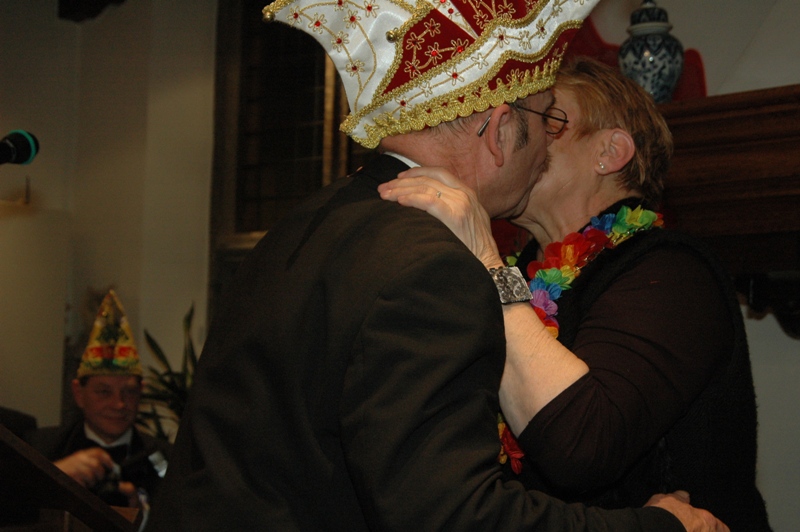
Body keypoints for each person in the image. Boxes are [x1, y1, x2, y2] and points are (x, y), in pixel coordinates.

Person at [144, 1, 726, 530]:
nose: (545, 147)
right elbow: (453, 517)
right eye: (543, 121)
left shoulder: (309, 221)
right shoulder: (432, 264)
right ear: (499, 129)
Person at [379, 57, 770, 530]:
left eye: (548, 118)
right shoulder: (522, 270)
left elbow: (584, 446)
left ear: (610, 151)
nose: (522, 134)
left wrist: (486, 261)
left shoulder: (672, 269)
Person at [30, 290, 170, 510]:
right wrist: (51, 479)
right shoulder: (39, 450)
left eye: (129, 392)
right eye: (104, 392)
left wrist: (142, 517)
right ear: (79, 393)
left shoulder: (169, 461)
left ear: (141, 392)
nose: (119, 404)